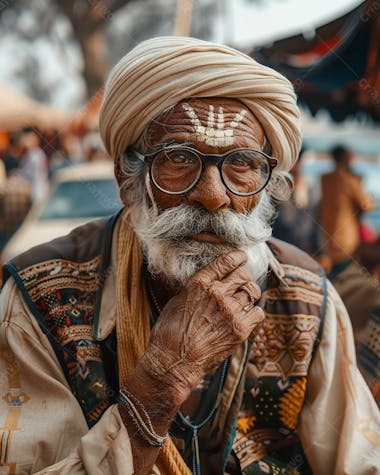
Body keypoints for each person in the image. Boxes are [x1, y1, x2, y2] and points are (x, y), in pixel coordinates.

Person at [0, 37, 379, 475]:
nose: (214, 196)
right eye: (179, 158)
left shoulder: (306, 298)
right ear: (129, 180)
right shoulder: (37, 301)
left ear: (267, 185)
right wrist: (160, 384)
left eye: (241, 162)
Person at [320, 145, 375, 279]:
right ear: (346, 158)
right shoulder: (349, 180)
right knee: (343, 275)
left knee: (331, 275)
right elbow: (366, 205)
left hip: (325, 236)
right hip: (345, 240)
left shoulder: (325, 179)